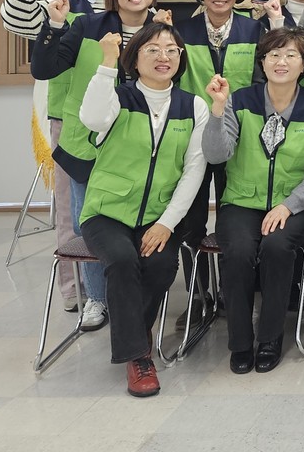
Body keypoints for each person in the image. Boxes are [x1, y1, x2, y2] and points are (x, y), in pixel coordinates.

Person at [30, 0, 171, 333]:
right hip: (89, 145)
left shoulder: (164, 31)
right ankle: (96, 297)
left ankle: (134, 293)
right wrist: (54, 24)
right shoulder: (87, 26)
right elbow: (45, 69)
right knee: (87, 223)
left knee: (141, 221)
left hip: (144, 147)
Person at [76, 23, 208, 397]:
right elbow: (92, 119)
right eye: (152, 49)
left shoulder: (193, 106)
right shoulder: (118, 97)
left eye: (171, 49)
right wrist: (106, 63)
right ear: (134, 59)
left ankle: (135, 331)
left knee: (161, 265)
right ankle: (138, 357)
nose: (163, 56)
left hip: (159, 215)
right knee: (122, 261)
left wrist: (166, 224)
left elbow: (194, 169)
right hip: (107, 212)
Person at [203, 27, 304, 375]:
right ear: (262, 61)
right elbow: (216, 155)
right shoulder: (239, 100)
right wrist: (217, 110)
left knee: (277, 246)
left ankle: (270, 337)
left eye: (291, 55)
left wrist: (288, 205)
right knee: (239, 251)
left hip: (299, 205)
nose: (281, 61)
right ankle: (240, 341)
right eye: (273, 54)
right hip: (242, 201)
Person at [0, 0, 116, 322]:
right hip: (70, 120)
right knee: (72, 209)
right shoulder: (62, 4)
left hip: (125, 120)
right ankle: (78, 289)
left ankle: (121, 282)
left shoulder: (128, 1)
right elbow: (16, 21)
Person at [175, 0, 265, 325]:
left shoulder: (254, 30)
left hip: (239, 139)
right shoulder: (181, 32)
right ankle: (197, 294)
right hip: (192, 138)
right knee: (190, 220)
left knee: (234, 220)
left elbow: (261, 83)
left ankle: (232, 292)